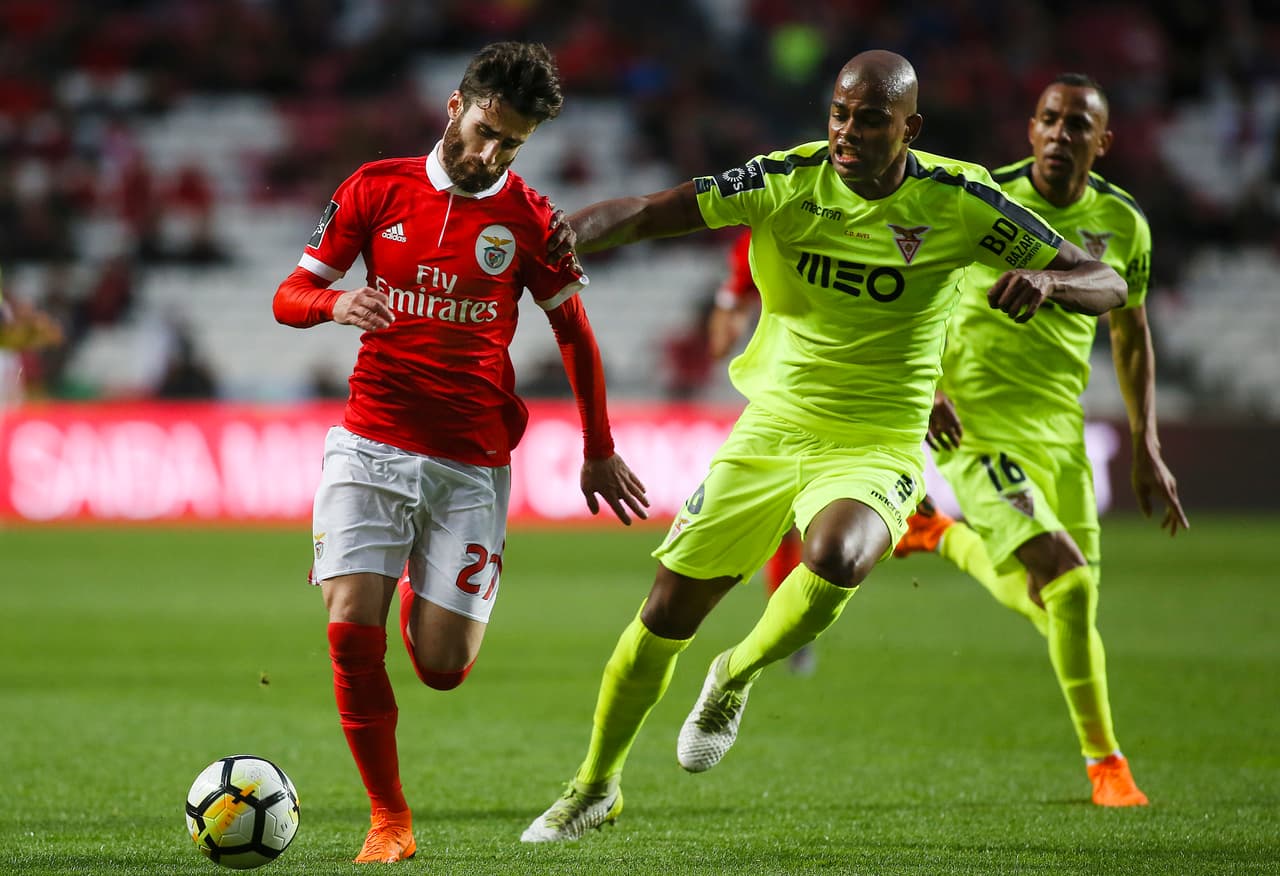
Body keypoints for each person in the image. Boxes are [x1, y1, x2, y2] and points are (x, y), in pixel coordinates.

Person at [522, 49, 1127, 843]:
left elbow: (1104, 280)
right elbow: (647, 211)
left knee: (840, 555)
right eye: (839, 113)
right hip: (771, 428)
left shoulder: (961, 199)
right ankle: (595, 785)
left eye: (870, 118)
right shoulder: (785, 178)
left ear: (910, 128)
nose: (847, 131)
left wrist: (1050, 284)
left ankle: (734, 674)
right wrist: (553, 242)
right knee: (666, 612)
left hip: (879, 438)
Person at [272, 41, 649, 864]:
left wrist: (597, 449)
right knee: (348, 630)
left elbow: (575, 335)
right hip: (369, 442)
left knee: (443, 668)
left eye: (510, 143)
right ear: (455, 106)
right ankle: (389, 819)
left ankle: (414, 579)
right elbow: (287, 295)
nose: (489, 153)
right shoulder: (375, 187)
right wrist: (336, 305)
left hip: (471, 465)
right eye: (483, 129)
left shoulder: (532, 221)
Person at [893, 73, 1189, 806]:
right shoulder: (981, 200)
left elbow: (1132, 334)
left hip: (1060, 433)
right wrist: (926, 388)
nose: (1062, 135)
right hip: (975, 425)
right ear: (1031, 130)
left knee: (1064, 602)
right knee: (1071, 581)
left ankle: (940, 537)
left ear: (1103, 141)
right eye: (1050, 121)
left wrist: (1146, 442)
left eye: (1078, 125)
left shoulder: (1122, 223)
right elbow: (913, 294)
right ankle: (1107, 766)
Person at [707, 228, 814, 675]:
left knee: (817, 521)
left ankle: (794, 621)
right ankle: (787, 623)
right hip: (780, 393)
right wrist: (730, 319)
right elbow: (727, 314)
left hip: (855, 396)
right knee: (785, 520)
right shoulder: (763, 232)